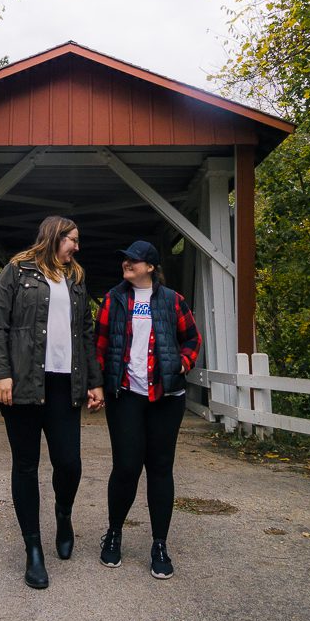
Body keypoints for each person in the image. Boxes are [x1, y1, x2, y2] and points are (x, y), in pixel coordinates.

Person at [0, 215, 105, 589]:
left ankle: (64, 512)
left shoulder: (76, 279)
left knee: (69, 463)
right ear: (55, 237)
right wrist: (1, 373)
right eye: (73, 239)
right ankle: (33, 549)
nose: (77, 246)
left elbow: (86, 332)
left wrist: (94, 381)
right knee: (25, 465)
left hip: (64, 384)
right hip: (21, 383)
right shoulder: (16, 270)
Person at [95, 239, 201, 579]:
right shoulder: (114, 299)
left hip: (166, 396)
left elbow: (192, 339)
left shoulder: (172, 300)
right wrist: (99, 383)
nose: (127, 264)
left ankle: (159, 543)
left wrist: (184, 363)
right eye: (125, 260)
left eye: (134, 260)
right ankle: (114, 532)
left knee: (160, 468)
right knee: (126, 466)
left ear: (151, 267)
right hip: (125, 395)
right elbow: (99, 344)